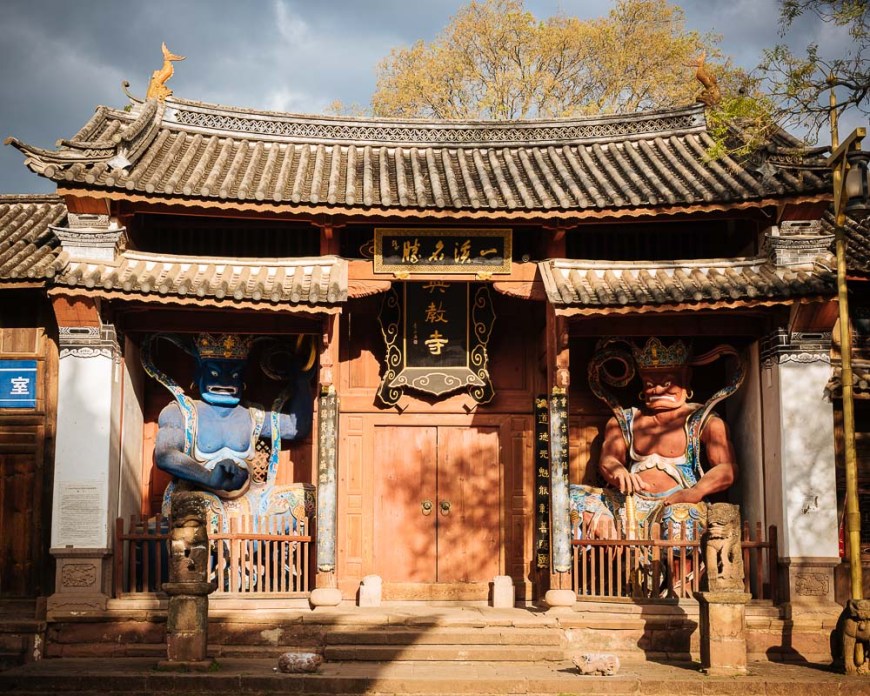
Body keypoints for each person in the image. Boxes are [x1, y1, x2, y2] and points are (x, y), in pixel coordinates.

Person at [571, 337, 743, 540]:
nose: (657, 389)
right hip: (630, 502)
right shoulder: (625, 420)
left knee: (681, 517)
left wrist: (696, 491)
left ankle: (678, 572)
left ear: (686, 379)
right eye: (649, 383)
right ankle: (613, 548)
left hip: (678, 500)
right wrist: (618, 473)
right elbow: (608, 459)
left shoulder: (703, 421)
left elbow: (727, 468)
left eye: (667, 382)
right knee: (572, 495)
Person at [143, 332, 315, 526]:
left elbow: (295, 427)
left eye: (234, 374)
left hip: (251, 500)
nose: (225, 382)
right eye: (215, 373)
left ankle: (258, 550)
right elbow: (165, 455)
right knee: (192, 515)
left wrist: (301, 382)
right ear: (198, 374)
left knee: (305, 498)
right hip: (198, 497)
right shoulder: (181, 412)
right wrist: (208, 477)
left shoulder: (252, 415)